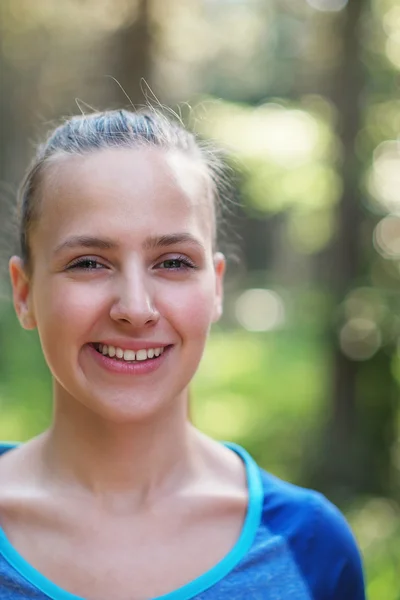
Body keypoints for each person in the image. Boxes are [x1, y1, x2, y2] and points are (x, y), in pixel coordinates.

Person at [0, 109, 365, 600]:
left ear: (215, 288)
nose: (135, 308)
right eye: (88, 262)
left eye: (173, 262)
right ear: (24, 294)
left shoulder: (310, 546)